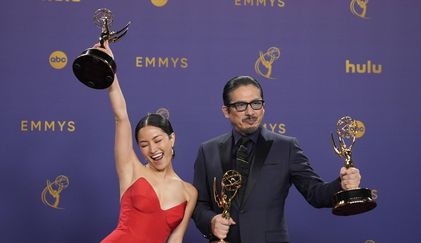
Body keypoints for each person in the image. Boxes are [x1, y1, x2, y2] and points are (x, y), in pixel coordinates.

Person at [192, 75, 361, 243]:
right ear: (226, 111)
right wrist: (211, 221)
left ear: (263, 107)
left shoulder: (286, 147)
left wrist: (342, 184)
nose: (250, 112)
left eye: (256, 103)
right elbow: (199, 205)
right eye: (241, 105)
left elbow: (315, 193)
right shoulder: (208, 150)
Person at [96, 42, 197, 243]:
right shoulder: (131, 169)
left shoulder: (189, 192)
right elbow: (121, 116)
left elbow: (175, 241)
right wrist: (110, 70)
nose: (153, 149)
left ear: (172, 138)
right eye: (143, 144)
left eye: (158, 140)